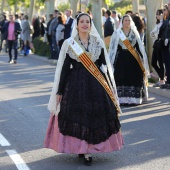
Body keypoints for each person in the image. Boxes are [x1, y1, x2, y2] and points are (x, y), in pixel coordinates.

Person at [44, 13, 123, 166]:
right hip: (75, 84)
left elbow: (103, 66)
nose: (85, 24)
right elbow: (65, 69)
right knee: (78, 115)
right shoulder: (70, 43)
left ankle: (88, 150)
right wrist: (60, 91)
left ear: (91, 24)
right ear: (77, 24)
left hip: (96, 83)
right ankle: (81, 147)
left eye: (88, 22)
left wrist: (109, 88)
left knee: (94, 116)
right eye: (82, 22)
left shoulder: (97, 42)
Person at [109, 14, 150, 105]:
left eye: (128, 20)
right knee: (121, 78)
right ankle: (121, 99)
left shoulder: (135, 33)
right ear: (122, 22)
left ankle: (133, 99)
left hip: (133, 60)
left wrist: (143, 58)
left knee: (134, 78)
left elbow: (139, 47)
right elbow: (113, 48)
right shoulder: (117, 33)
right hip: (121, 59)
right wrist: (111, 60)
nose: (127, 22)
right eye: (125, 20)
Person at [150, 9, 165, 87]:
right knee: (153, 63)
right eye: (157, 14)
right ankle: (162, 77)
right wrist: (153, 34)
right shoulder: (157, 23)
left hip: (161, 45)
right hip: (156, 45)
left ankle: (162, 80)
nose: (158, 16)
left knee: (161, 63)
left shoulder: (163, 23)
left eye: (159, 14)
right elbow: (152, 33)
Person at [158, 2, 170, 89]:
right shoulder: (167, 18)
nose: (168, 6)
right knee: (167, 64)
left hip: (168, 44)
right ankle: (168, 81)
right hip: (165, 45)